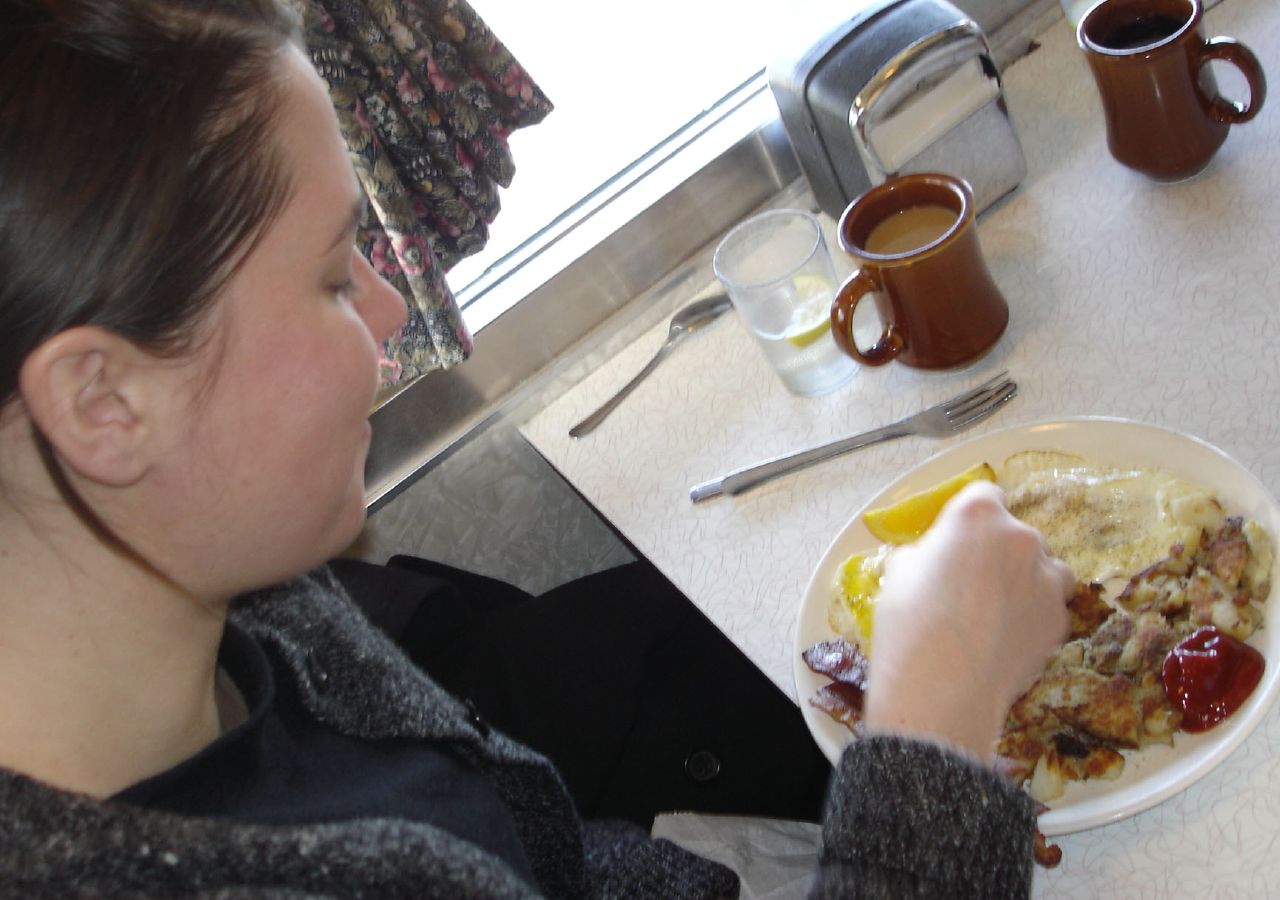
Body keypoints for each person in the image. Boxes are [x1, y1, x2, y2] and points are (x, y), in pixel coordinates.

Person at [0, 0, 1074, 896]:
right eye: (334, 279)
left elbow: (524, 846)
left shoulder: (245, 597)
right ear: (103, 403)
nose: (384, 311)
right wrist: (930, 753)